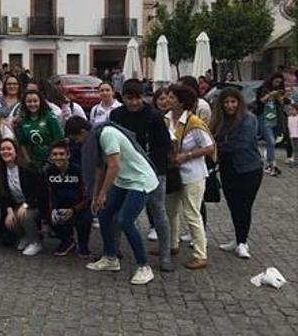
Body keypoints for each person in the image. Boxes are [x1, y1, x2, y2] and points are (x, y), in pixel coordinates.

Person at [65, 117, 158, 285]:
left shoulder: (107, 134)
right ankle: (110, 257)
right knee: (104, 213)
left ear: (83, 133)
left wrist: (103, 193)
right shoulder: (95, 139)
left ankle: (144, 266)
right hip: (123, 180)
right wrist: (96, 195)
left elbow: (114, 165)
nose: (77, 143)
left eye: (76, 138)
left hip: (140, 180)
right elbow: (100, 167)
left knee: (125, 221)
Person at [110, 79, 174, 272]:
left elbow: (164, 147)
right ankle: (114, 248)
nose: (134, 103)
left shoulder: (154, 116)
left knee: (158, 211)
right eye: (130, 99)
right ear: (123, 98)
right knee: (118, 209)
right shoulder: (116, 114)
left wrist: (150, 164)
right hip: (125, 170)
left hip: (154, 171)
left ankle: (165, 255)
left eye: (138, 98)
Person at [164, 84, 216, 270]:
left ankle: (200, 254)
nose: (167, 99)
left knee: (192, 213)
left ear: (181, 101)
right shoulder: (166, 119)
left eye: (171, 97)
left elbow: (210, 147)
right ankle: (172, 244)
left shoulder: (194, 122)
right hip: (173, 173)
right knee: (170, 210)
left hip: (193, 173)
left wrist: (186, 156)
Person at [211, 87, 264, 259]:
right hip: (228, 169)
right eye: (226, 102)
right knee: (233, 205)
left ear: (239, 102)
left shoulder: (249, 119)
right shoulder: (219, 120)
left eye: (233, 102)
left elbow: (242, 143)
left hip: (249, 168)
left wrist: (216, 147)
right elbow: (212, 137)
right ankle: (237, 238)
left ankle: (243, 242)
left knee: (244, 206)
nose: (229, 105)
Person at [0, 138, 46, 256]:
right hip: (15, 204)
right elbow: (3, 194)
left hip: (34, 204)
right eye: (2, 149)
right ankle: (26, 235)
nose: (6, 152)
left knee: (24, 215)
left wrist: (26, 204)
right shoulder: (0, 170)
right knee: (9, 220)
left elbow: (39, 191)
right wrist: (9, 211)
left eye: (9, 149)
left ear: (16, 151)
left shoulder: (28, 168)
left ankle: (35, 242)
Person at [43, 140, 91, 257]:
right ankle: (67, 241)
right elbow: (47, 194)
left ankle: (83, 244)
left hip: (78, 207)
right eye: (55, 154)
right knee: (47, 214)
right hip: (60, 207)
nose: (58, 157)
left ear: (68, 155)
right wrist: (52, 210)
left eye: (61, 154)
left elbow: (87, 195)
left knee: (85, 218)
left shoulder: (78, 170)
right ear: (50, 157)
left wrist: (73, 210)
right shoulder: (48, 171)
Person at [14, 89, 64, 169]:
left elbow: (59, 140)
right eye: (29, 101)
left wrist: (52, 160)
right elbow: (22, 143)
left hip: (51, 162)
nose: (32, 104)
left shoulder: (50, 118)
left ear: (40, 102)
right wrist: (28, 160)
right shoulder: (22, 121)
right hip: (33, 163)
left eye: (35, 101)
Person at [255, 72, 289, 176]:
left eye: (280, 82)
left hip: (276, 119)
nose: (278, 84)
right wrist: (270, 94)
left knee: (272, 142)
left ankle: (269, 162)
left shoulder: (279, 91)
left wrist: (280, 97)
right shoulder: (263, 88)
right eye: (276, 81)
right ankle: (272, 164)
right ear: (271, 80)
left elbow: (282, 103)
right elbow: (260, 101)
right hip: (265, 118)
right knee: (271, 141)